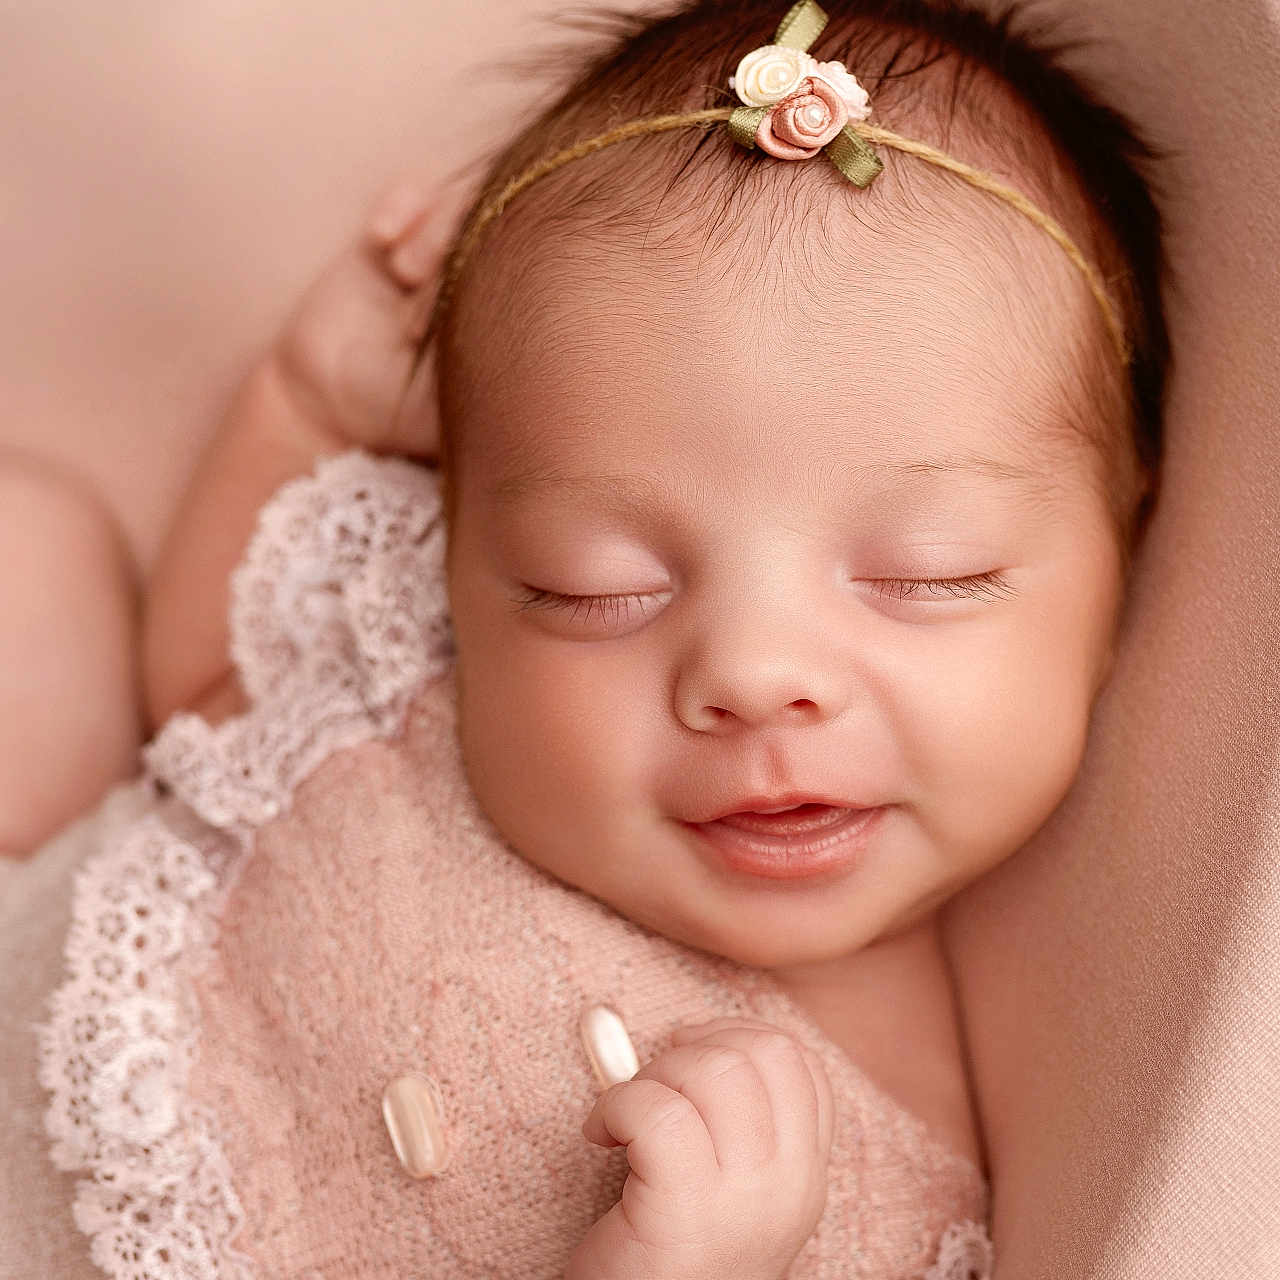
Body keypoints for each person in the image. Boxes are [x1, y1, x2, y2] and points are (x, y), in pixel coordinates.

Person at [29, 0, 1169, 1275]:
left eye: (927, 573)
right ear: (463, 567)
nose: (752, 674)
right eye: (594, 589)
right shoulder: (412, 702)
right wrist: (304, 400)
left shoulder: (899, 1149)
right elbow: (212, 693)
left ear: (1119, 560)